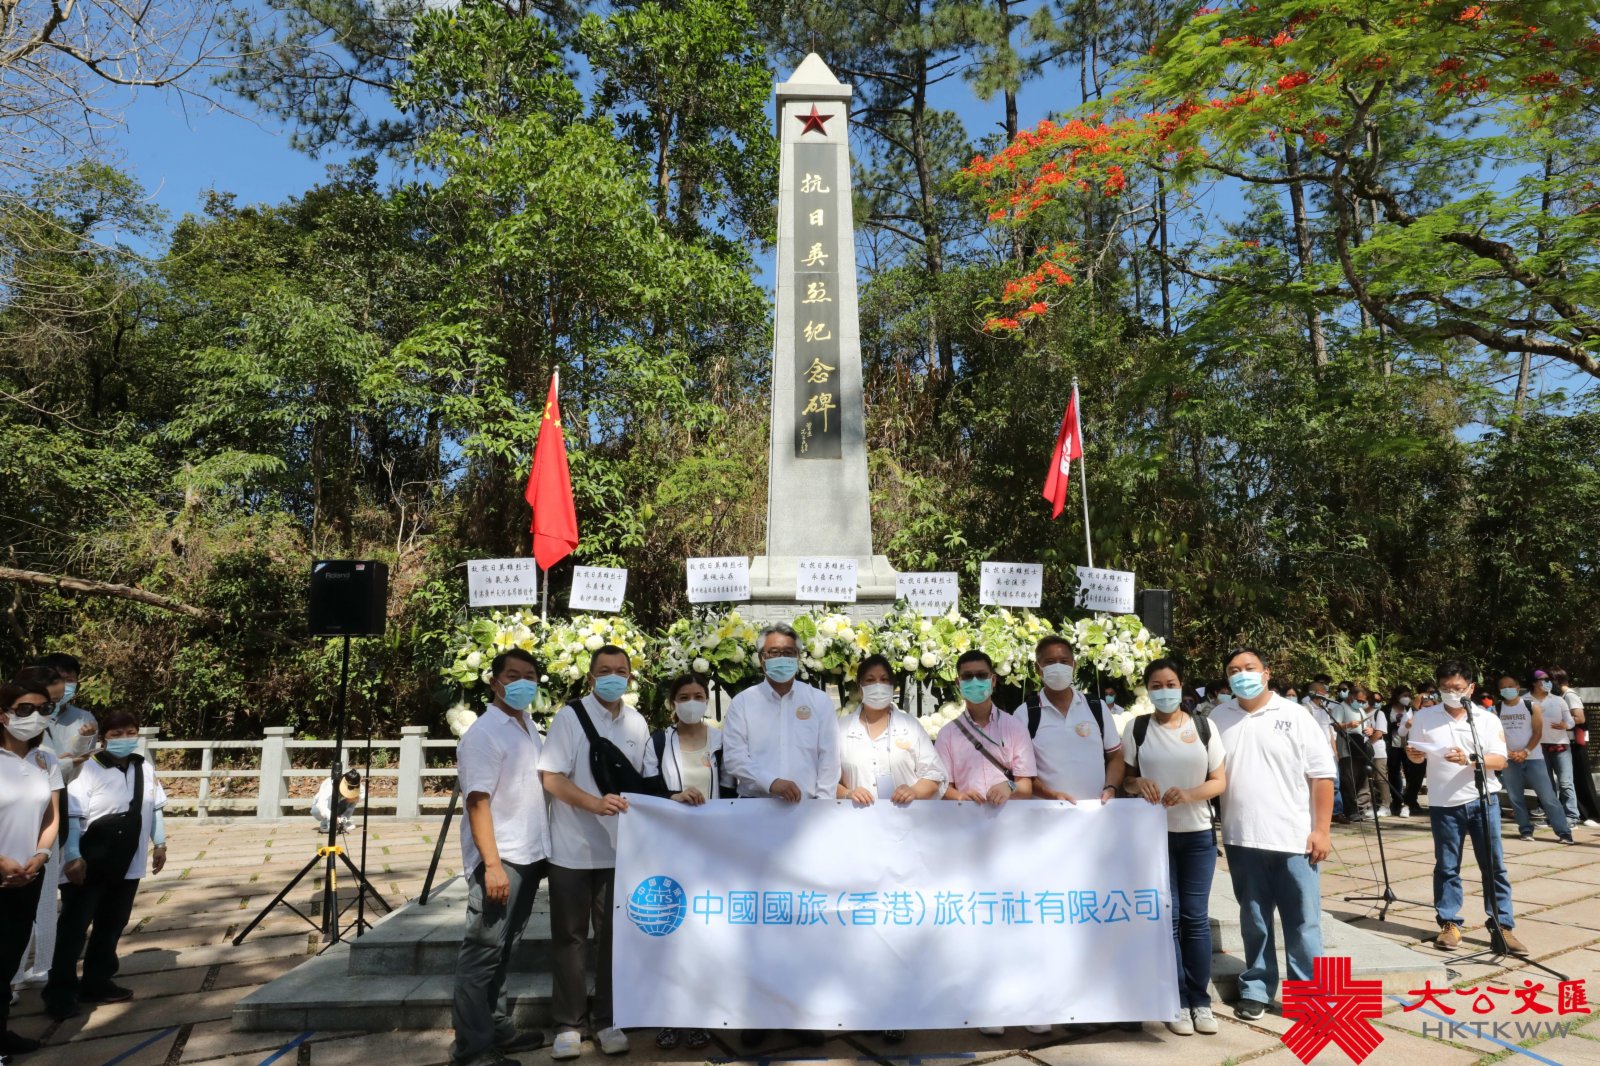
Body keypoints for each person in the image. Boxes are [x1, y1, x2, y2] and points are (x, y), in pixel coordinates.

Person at [1210, 647, 1335, 1021]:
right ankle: (1257, 988)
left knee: (1303, 922)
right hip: (1241, 837)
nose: (1241, 675)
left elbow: (1321, 776)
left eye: (1249, 668)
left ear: (1267, 673)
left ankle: (1310, 997)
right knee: (1255, 921)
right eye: (1233, 670)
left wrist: (1322, 830)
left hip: (1294, 839)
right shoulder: (1218, 718)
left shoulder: (1296, 716)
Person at [538, 645, 649, 1060]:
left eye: (621, 670)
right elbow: (551, 778)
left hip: (619, 850)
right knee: (569, 937)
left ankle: (607, 1020)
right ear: (590, 678)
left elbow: (645, 782)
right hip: (571, 848)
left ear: (630, 678)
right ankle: (568, 1024)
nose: (613, 677)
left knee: (612, 938)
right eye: (604, 671)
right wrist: (594, 803)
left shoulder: (637, 722)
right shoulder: (570, 718)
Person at [452, 648, 552, 1066]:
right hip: (501, 857)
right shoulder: (484, 734)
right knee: (481, 954)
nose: (522, 683)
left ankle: (496, 1029)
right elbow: (477, 801)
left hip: (528, 855)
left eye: (530, 676)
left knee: (503, 949)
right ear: (494, 682)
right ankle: (473, 1050)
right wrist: (491, 866)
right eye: (513, 675)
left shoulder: (528, 726)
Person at [933, 650, 1037, 1037]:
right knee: (979, 923)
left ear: (993, 679)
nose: (974, 682)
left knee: (1018, 921)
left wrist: (1007, 787)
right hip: (969, 844)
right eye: (967, 676)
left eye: (981, 675)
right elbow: (941, 786)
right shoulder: (948, 734)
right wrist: (959, 796)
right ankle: (989, 1004)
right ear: (957, 682)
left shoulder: (1013, 727)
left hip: (1012, 840)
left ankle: (1030, 1003)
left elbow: (1026, 784)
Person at [1121, 659, 1226, 1037]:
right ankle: (1176, 999)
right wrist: (1138, 784)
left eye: (1171, 683)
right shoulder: (1137, 728)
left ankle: (1201, 1000)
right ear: (1147, 689)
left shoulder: (1203, 727)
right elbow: (1126, 779)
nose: (1164, 691)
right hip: (1154, 838)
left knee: (1196, 918)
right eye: (1156, 685)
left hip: (1197, 836)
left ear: (1182, 686)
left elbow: (1219, 781)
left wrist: (1189, 794)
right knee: (1169, 918)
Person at [43, 709, 167, 1021]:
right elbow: (73, 815)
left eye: (131, 733)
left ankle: (97, 981)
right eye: (117, 734)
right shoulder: (86, 769)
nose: (125, 739)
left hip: (128, 859)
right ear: (103, 739)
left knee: (113, 923)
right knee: (74, 928)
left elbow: (155, 807)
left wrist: (160, 843)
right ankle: (60, 992)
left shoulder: (143, 767)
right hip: (88, 860)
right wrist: (73, 856)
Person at [1406, 661, 1524, 955]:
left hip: (1483, 801)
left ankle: (1502, 926)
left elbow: (1500, 760)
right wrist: (1415, 755)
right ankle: (1449, 924)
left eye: (1457, 688)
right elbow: (1417, 757)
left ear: (1470, 688)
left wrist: (1470, 759)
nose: (1451, 693)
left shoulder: (1485, 719)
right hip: (1443, 803)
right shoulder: (1425, 716)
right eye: (1445, 688)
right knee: (1447, 866)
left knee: (1494, 866)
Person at [640, 674, 725, 1054]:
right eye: (684, 696)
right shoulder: (658, 741)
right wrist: (673, 796)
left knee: (707, 933)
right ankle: (670, 1015)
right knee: (672, 933)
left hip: (714, 853)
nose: (693, 702)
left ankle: (703, 1015)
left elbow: (734, 788)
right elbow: (646, 790)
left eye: (699, 695)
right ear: (673, 703)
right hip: (669, 850)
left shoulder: (721, 741)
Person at [1, 680, 61, 1057]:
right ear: (3, 714)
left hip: (27, 877)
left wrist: (40, 856)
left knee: (7, 960)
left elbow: (51, 817)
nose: (35, 716)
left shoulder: (46, 760)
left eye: (43, 709)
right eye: (24, 709)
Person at [723, 624, 841, 803]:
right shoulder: (742, 703)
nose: (782, 658)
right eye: (774, 652)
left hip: (807, 807)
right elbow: (734, 758)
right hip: (753, 805)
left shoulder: (819, 701)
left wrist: (822, 804)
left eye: (788, 652)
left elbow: (829, 758)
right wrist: (771, 783)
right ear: (762, 658)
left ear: (798, 656)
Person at [1012, 636, 1123, 806]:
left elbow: (1115, 756)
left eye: (1064, 661)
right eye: (1050, 662)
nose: (1058, 667)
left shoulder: (1096, 707)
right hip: (1048, 813)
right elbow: (1021, 774)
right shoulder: (1025, 714)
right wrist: (1051, 795)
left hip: (1096, 812)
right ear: (1038, 668)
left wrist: (1111, 787)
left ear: (1074, 666)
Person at [839, 656, 946, 809]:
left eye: (884, 680)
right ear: (859, 686)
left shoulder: (911, 726)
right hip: (857, 817)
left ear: (892, 685)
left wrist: (913, 791)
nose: (878, 685)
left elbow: (934, 775)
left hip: (905, 817)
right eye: (870, 680)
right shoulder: (840, 729)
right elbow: (825, 779)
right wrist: (847, 794)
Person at [1491, 674, 1571, 843]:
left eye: (1510, 686)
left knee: (1548, 796)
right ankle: (1525, 829)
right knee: (1515, 797)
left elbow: (1537, 732)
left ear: (1517, 687)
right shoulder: (1497, 709)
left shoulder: (1530, 706)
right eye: (1503, 687)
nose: (1507, 690)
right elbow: (1496, 734)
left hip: (1534, 758)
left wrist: (1525, 751)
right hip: (1510, 759)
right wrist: (1508, 752)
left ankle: (1563, 831)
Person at [29, 655, 99, 785]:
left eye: (69, 680)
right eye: (57, 679)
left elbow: (82, 767)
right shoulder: (25, 716)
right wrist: (65, 763)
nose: (63, 685)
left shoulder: (86, 719)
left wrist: (82, 742)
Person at [1530, 670, 1580, 829]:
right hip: (1537, 747)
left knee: (1565, 782)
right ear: (1533, 682)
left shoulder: (1558, 700)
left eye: (1549, 679)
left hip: (1560, 745)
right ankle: (1553, 817)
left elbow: (1571, 721)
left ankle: (1571, 816)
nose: (1547, 682)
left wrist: (1566, 725)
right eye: (1543, 679)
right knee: (1547, 785)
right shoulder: (1525, 700)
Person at [1550, 669, 1600, 826]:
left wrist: (1559, 721)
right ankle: (1583, 813)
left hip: (1575, 743)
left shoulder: (1569, 696)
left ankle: (1593, 814)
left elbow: (1580, 718)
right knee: (1574, 779)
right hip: (1569, 742)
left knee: (1582, 778)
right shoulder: (1563, 696)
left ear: (1556, 680)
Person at [1354, 685, 1391, 817]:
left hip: (1377, 751)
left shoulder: (1378, 713)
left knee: (1380, 778)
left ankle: (1386, 805)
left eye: (1364, 701)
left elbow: (1379, 733)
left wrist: (1367, 744)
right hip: (1363, 752)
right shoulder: (1359, 714)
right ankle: (1369, 806)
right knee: (1366, 780)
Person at [1383, 688, 1414, 816]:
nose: (1407, 698)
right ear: (1397, 696)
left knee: (1410, 773)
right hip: (1393, 745)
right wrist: (1393, 725)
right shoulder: (1386, 710)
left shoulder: (1411, 710)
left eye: (1409, 695)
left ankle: (1410, 801)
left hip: (1408, 745)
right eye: (1404, 695)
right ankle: (1397, 800)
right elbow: (1382, 726)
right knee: (1394, 772)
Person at [311, 770, 365, 835]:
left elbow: (364, 793)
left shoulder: (353, 782)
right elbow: (321, 804)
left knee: (355, 797)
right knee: (316, 810)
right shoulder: (330, 784)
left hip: (338, 806)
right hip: (324, 808)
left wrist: (356, 798)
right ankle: (325, 823)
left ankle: (343, 821)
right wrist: (333, 817)